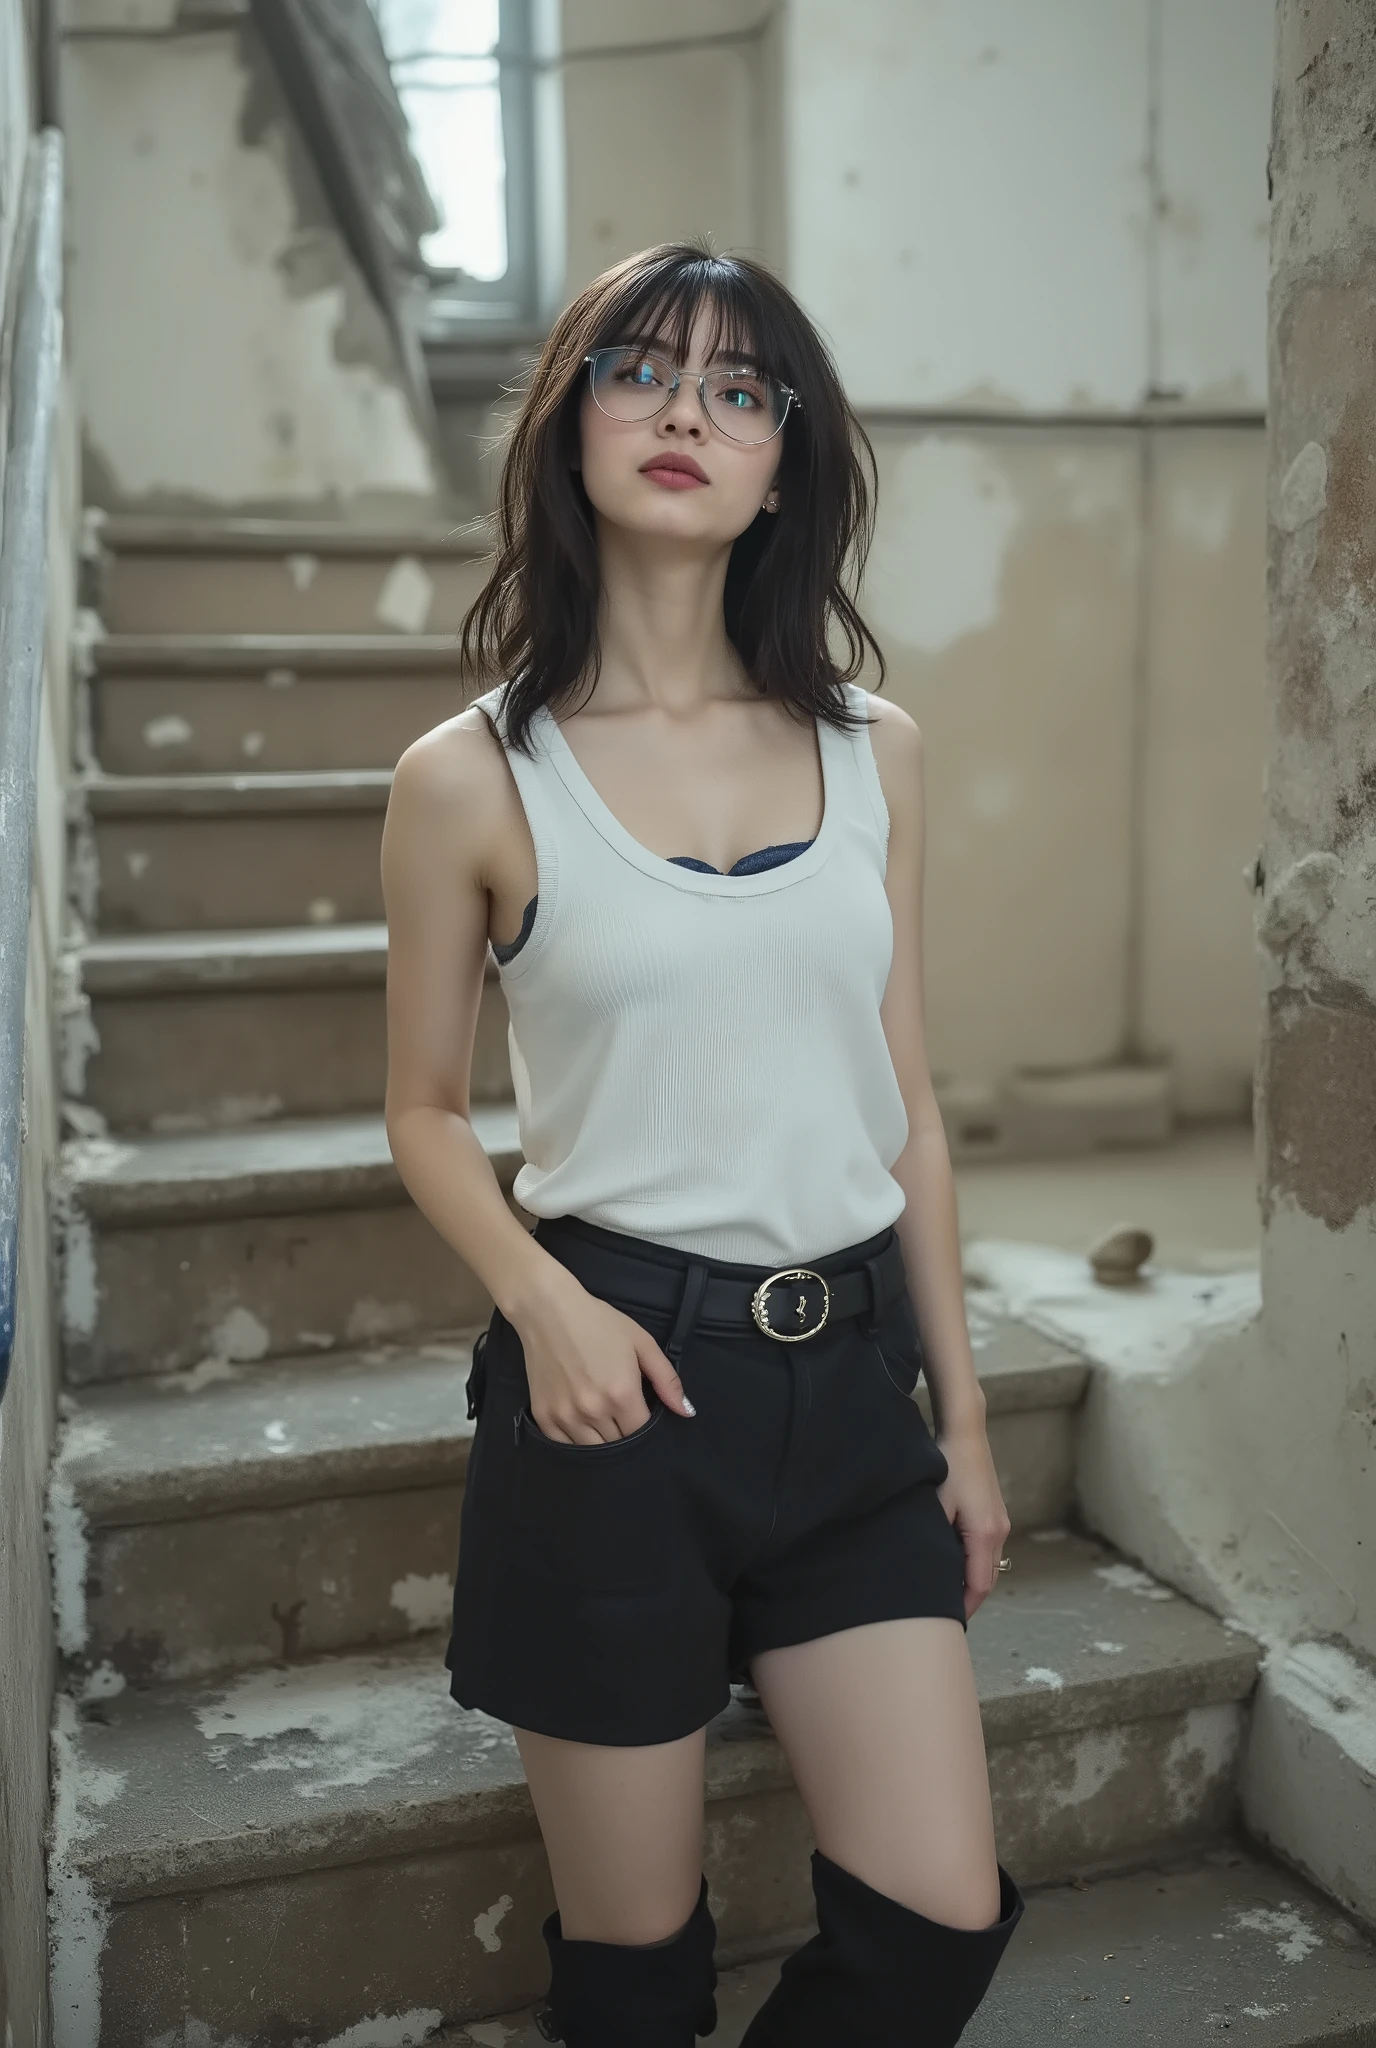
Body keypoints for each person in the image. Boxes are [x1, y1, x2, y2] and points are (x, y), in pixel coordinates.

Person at [382, 240, 1025, 2048]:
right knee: (636, 1970)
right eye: (641, 371)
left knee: (938, 1923)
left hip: (850, 1408)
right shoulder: (471, 777)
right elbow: (423, 1106)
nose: (686, 411)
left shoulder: (874, 750)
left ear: (782, 461)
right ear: (569, 417)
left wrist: (962, 1426)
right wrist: (541, 1306)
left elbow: (903, 1104)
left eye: (741, 390)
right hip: (616, 1394)